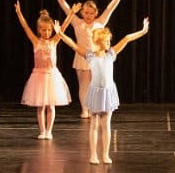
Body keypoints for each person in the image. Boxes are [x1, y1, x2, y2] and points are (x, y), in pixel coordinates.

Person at [54, 17, 149, 164]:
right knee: (94, 124)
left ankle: (105, 154)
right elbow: (73, 45)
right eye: (106, 41)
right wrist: (60, 34)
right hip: (96, 93)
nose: (109, 43)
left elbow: (126, 38)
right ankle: (93, 155)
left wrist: (142, 31)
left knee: (106, 125)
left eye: (109, 41)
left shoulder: (111, 54)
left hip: (108, 92)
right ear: (98, 41)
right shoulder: (90, 55)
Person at [14, 0, 78, 139]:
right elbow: (25, 27)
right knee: (41, 106)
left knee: (51, 106)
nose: (47, 32)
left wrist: (72, 13)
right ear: (39, 30)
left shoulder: (54, 41)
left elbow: (64, 26)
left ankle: (49, 131)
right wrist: (19, 13)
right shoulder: (35, 41)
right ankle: (42, 131)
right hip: (38, 77)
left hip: (52, 76)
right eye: (43, 30)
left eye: (49, 30)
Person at [56, 0, 122, 118]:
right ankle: (85, 110)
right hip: (82, 57)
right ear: (82, 13)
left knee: (96, 85)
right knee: (84, 85)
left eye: (91, 13)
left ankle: (94, 108)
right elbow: (67, 9)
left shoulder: (100, 22)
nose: (88, 15)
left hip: (97, 58)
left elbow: (109, 9)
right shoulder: (77, 22)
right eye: (86, 13)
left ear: (95, 13)